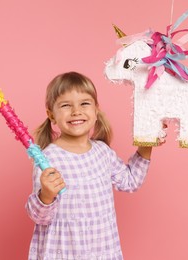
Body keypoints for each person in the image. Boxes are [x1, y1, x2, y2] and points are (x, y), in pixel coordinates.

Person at [26, 71, 163, 259]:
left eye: (84, 103)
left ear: (96, 109)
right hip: (64, 252)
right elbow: (40, 217)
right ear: (52, 115)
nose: (76, 111)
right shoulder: (48, 158)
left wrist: (147, 143)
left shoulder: (102, 152)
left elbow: (130, 181)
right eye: (66, 105)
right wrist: (46, 195)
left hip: (101, 250)